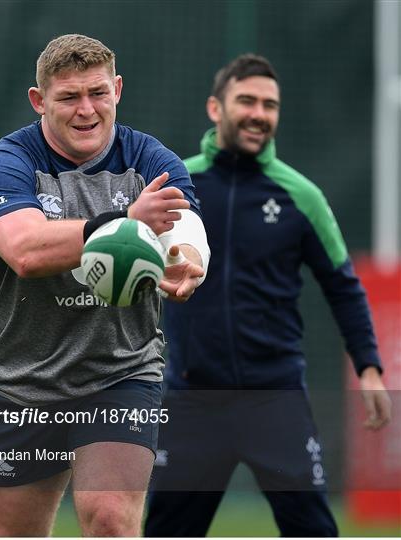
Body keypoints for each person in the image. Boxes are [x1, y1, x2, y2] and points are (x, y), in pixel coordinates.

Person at [144, 54, 392, 537]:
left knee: (314, 531)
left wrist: (369, 366)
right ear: (216, 109)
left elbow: (342, 285)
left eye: (270, 105)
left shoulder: (302, 196)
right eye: (247, 101)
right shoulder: (177, 186)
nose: (260, 113)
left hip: (275, 398)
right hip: (193, 398)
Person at [0, 33, 209, 537]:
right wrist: (123, 219)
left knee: (109, 520)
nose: (86, 110)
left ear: (117, 89)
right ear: (39, 101)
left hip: (120, 375)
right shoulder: (7, 163)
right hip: (23, 384)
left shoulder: (149, 158)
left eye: (98, 93)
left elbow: (187, 230)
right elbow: (26, 251)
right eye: (69, 97)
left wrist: (186, 260)